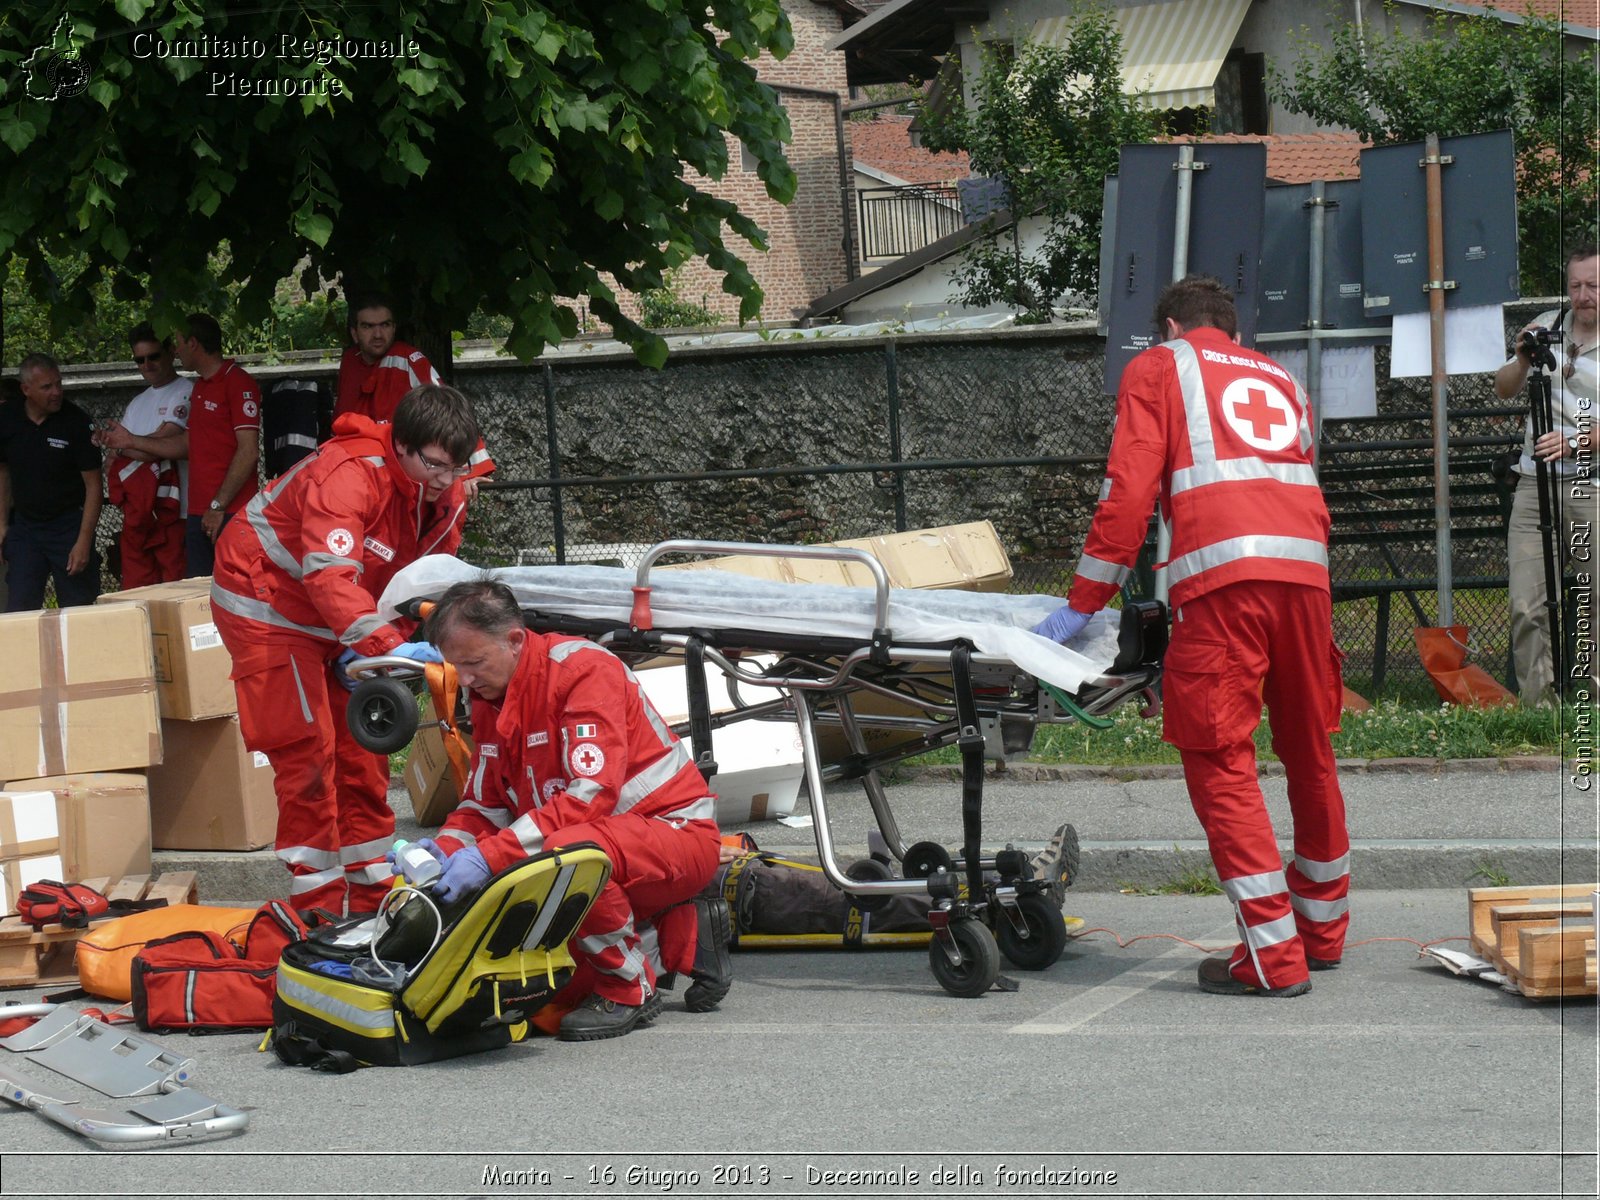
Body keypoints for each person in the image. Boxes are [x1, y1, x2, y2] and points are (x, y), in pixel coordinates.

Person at [1034, 275, 1347, 999]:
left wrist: (1083, 604)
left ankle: (1272, 956)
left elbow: (1128, 494)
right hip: (1305, 576)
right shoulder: (1280, 377)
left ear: (1170, 328)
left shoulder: (1160, 366)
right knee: (1310, 748)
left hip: (1221, 580)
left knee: (1221, 757)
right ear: (1232, 332)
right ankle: (1321, 931)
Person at [412, 578, 731, 1041]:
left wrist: (489, 858)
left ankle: (629, 990)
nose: (465, 680)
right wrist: (441, 853)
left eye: (474, 662)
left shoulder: (583, 671)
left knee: (565, 855)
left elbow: (590, 795)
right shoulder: (488, 696)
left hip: (676, 835)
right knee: (547, 993)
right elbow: (484, 804)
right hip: (611, 852)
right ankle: (679, 932)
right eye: (456, 666)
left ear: (515, 639)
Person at [209, 385, 480, 915]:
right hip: (265, 605)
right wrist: (382, 647)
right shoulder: (349, 474)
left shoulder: (441, 493)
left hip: (338, 619)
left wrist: (395, 639)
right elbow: (328, 574)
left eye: (457, 467)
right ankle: (318, 905)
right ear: (401, 446)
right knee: (306, 750)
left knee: (362, 749)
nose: (447, 480)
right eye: (436, 465)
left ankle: (373, 886)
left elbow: (418, 581)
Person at [1492, 244, 1598, 706]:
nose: (1583, 295)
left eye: (1593, 285)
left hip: (1589, 481)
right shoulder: (1547, 326)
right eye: (1575, 285)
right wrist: (1520, 358)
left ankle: (1593, 702)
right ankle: (1539, 707)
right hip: (1536, 482)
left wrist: (1576, 442)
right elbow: (1503, 389)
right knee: (1525, 601)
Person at [335, 295, 494, 486]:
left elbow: (449, 410)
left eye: (385, 325)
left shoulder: (408, 358)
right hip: (358, 471)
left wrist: (469, 473)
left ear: (394, 328)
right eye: (368, 326)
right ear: (354, 333)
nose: (378, 334)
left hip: (404, 473)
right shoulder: (350, 362)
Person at [0, 354, 103, 611]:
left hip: (68, 527)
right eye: (47, 387)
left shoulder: (76, 422)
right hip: (25, 528)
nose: (56, 392)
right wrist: (2, 524)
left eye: (58, 383)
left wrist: (83, 541)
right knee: (20, 608)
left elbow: (94, 486)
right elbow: (3, 472)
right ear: (26, 390)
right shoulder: (7, 418)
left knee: (78, 609)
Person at [96, 324, 191, 588]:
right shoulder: (137, 403)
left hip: (174, 511)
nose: (147, 365)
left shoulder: (186, 391)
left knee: (175, 587)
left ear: (171, 352)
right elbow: (113, 461)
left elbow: (163, 445)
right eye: (140, 360)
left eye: (154, 356)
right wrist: (128, 447)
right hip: (139, 515)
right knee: (139, 590)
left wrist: (126, 445)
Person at [173, 313, 260, 578]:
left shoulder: (237, 382)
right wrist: (129, 441)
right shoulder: (199, 386)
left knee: (235, 593)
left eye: (178, 342)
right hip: (200, 511)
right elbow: (188, 444)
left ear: (193, 343)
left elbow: (249, 451)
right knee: (198, 599)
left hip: (229, 512)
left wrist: (217, 506)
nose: (175, 351)